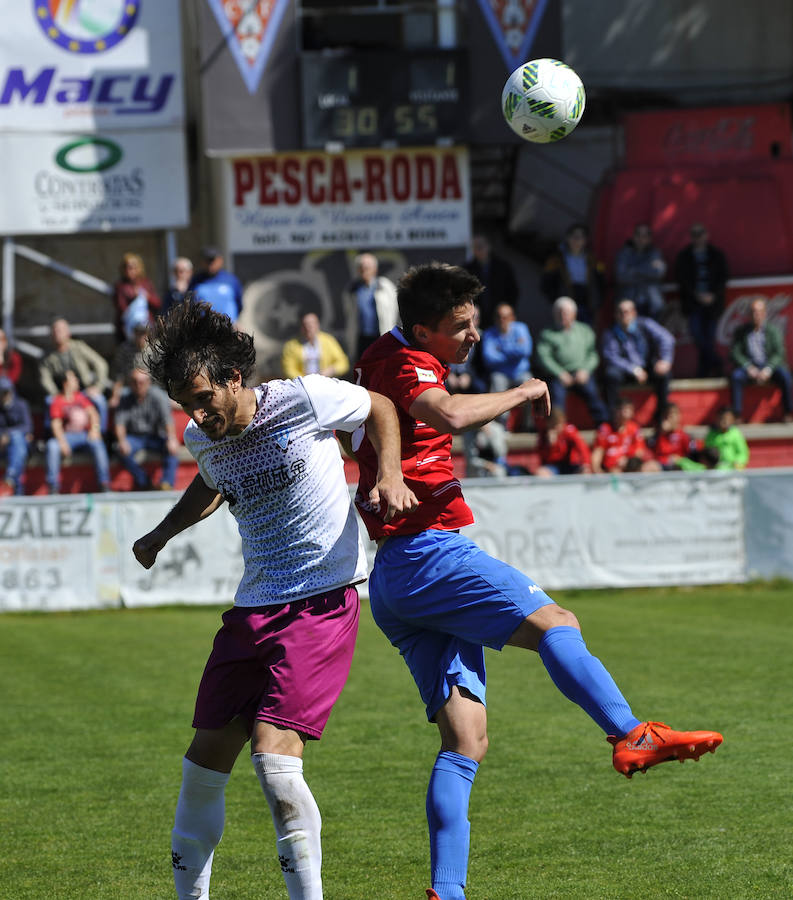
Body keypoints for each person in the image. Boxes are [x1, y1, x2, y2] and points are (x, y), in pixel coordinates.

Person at [351, 262, 722, 900]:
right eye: (459, 327)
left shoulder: (386, 352)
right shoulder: (411, 365)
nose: (472, 337)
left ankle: (447, 891)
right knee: (559, 623)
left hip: (391, 578)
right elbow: (448, 415)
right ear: (421, 329)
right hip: (426, 555)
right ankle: (629, 733)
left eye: (473, 323)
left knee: (465, 740)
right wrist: (522, 393)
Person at [132, 301, 417, 900]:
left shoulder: (305, 398)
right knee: (201, 765)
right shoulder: (199, 436)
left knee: (273, 760)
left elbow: (382, 407)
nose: (197, 413)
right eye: (186, 403)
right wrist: (162, 532)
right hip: (252, 609)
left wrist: (389, 473)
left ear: (235, 378)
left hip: (320, 603)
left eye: (205, 397)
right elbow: (213, 479)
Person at [535, 296, 607, 427]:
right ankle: (557, 427)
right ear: (554, 315)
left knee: (593, 393)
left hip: (581, 373)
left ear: (574, 314)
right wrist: (560, 373)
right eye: (559, 313)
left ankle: (603, 426)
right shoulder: (547, 334)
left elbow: (593, 355)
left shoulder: (585, 331)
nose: (563, 316)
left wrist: (585, 370)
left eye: (566, 312)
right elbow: (543, 357)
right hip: (559, 376)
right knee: (556, 397)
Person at [601, 299, 675, 421]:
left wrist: (665, 360)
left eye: (627, 311)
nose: (624, 315)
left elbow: (667, 339)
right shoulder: (611, 332)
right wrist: (633, 369)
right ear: (616, 315)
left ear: (634, 312)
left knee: (664, 374)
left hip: (647, 366)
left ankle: (661, 415)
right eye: (620, 312)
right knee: (610, 375)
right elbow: (611, 356)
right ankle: (613, 416)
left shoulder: (645, 324)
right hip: (626, 371)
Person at [674, 223, 729, 377]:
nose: (698, 238)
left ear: (706, 235)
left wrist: (713, 295)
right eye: (695, 234)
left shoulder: (716, 254)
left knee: (709, 337)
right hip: (693, 303)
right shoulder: (684, 256)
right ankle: (716, 362)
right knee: (697, 335)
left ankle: (703, 371)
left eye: (701, 234)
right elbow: (682, 279)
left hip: (713, 303)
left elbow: (723, 277)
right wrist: (696, 295)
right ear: (691, 237)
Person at [113, 368, 180, 491]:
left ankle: (166, 483)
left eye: (142, 382)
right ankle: (145, 482)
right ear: (130, 383)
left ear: (148, 383)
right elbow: (119, 423)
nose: (138, 385)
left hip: (155, 436)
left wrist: (171, 438)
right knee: (119, 449)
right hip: (134, 437)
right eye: (134, 382)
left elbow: (167, 420)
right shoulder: (124, 398)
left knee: (171, 448)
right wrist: (122, 441)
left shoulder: (158, 396)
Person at [39, 317, 110, 433]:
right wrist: (57, 395)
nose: (58, 333)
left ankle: (101, 434)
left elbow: (101, 364)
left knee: (100, 401)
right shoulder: (47, 356)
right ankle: (51, 435)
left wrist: (97, 387)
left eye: (60, 330)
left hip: (84, 391)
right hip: (61, 393)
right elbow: (45, 379)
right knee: (49, 401)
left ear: (68, 333)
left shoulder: (78, 347)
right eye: (55, 330)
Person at [728, 296, 793, 423]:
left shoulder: (773, 330)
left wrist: (768, 369)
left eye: (759, 312)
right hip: (750, 367)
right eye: (753, 312)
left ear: (764, 313)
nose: (756, 315)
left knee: (785, 376)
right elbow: (735, 352)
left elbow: (779, 353)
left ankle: (788, 412)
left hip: (769, 367)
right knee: (736, 376)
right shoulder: (742, 331)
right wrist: (748, 367)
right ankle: (737, 414)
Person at [45, 370, 111, 494]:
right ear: (65, 383)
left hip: (85, 436)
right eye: (73, 379)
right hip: (67, 437)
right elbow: (56, 424)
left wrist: (95, 430)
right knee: (52, 446)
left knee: (98, 444)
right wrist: (62, 443)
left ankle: (104, 484)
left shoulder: (81, 398)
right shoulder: (57, 401)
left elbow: (94, 414)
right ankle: (53, 487)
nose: (77, 381)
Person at [480, 302, 533, 431]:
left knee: (530, 384)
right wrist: (515, 352)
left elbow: (526, 351)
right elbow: (489, 358)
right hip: (501, 373)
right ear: (495, 319)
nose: (502, 320)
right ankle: (501, 426)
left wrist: (502, 349)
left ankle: (528, 425)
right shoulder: (489, 334)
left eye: (506, 316)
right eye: (499, 317)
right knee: (497, 384)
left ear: (512, 318)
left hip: (520, 372)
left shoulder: (521, 328)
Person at [540, 223, 604, 325]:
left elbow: (601, 283)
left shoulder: (593, 260)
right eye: (574, 236)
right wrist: (555, 300)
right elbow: (546, 283)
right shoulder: (556, 260)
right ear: (567, 238)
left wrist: (597, 302)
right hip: (564, 301)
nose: (577, 240)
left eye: (581, 237)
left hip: (586, 303)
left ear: (586, 240)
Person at [343, 252, 399, 360]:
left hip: (381, 335)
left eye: (367, 267)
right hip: (361, 338)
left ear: (375, 269)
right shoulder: (352, 289)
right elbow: (349, 314)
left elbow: (394, 310)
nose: (364, 270)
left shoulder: (385, 286)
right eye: (361, 268)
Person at [462, 233, 519, 330]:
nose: (479, 248)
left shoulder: (503, 267)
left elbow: (513, 291)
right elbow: (463, 294)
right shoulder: (467, 269)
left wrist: (507, 310)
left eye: (481, 245)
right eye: (476, 246)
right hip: (476, 318)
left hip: (500, 316)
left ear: (488, 246)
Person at [614, 223, 667, 320]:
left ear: (650, 238)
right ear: (633, 236)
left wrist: (632, 270)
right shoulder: (624, 253)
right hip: (629, 300)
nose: (641, 238)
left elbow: (658, 272)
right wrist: (648, 270)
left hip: (651, 303)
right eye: (638, 235)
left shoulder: (655, 253)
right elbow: (621, 276)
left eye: (645, 235)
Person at [590, 397, 653, 474]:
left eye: (628, 409)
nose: (625, 412)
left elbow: (639, 451)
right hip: (612, 468)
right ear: (615, 411)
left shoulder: (634, 428)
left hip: (630, 465)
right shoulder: (605, 429)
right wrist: (597, 470)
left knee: (652, 467)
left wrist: (628, 461)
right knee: (616, 473)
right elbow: (598, 451)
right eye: (622, 409)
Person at [281, 312, 350, 379]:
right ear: (301, 327)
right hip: (302, 384)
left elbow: (343, 363)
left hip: (325, 382)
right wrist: (304, 379)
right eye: (305, 325)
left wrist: (331, 370)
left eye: (311, 325)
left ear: (318, 325)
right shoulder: (291, 346)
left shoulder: (328, 341)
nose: (308, 328)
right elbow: (288, 369)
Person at [113, 251, 162, 343]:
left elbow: (157, 304)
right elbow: (121, 307)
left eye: (132, 267)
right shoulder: (120, 286)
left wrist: (147, 297)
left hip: (146, 330)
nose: (129, 270)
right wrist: (133, 299)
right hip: (128, 331)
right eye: (126, 267)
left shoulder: (146, 283)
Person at [190, 246, 244, 323]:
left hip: (228, 327)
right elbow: (189, 304)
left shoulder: (231, 280)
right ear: (202, 262)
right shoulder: (196, 280)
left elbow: (239, 305)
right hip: (203, 329)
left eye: (212, 260)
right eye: (207, 260)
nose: (210, 264)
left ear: (220, 260)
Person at [535, 407, 592, 477]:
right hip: (553, 467)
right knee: (541, 473)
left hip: (570, 465)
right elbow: (543, 457)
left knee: (584, 472)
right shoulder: (544, 435)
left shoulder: (568, 430)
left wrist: (586, 464)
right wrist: (551, 445)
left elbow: (582, 447)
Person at [0, 376, 33, 495]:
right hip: (4, 447)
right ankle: (13, 480)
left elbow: (27, 427)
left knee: (17, 441)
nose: (4, 395)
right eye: (2, 392)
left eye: (6, 392)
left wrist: (8, 434)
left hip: (21, 444)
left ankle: (11, 475)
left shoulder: (21, 405)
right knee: (18, 452)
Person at [109, 322, 150, 409]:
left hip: (150, 387)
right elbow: (119, 375)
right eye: (138, 334)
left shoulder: (154, 348)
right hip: (129, 387)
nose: (141, 337)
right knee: (121, 398)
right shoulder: (125, 349)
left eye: (143, 334)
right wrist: (115, 395)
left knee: (160, 397)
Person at [648, 402, 699, 470]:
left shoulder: (683, 435)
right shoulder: (658, 434)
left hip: (680, 465)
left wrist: (680, 460)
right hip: (662, 465)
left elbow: (692, 453)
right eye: (668, 414)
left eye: (674, 413)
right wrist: (662, 433)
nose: (671, 417)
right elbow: (654, 452)